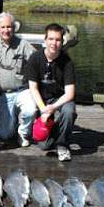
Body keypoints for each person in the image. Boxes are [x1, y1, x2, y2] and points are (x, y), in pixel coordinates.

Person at [0, 12, 37, 147]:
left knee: (31, 110)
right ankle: (13, 122)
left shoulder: (24, 45)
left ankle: (23, 132)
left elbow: (38, 61)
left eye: (9, 27)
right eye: (2, 27)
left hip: (22, 90)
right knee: (6, 135)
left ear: (14, 28)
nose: (6, 30)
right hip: (1, 94)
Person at [25, 23, 77, 162]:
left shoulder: (67, 62)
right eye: (51, 39)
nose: (54, 43)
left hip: (60, 101)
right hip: (43, 102)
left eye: (58, 40)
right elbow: (33, 88)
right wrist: (43, 110)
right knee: (44, 145)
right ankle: (55, 128)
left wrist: (53, 108)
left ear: (62, 41)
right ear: (45, 40)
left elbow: (70, 93)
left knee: (69, 111)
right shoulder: (35, 58)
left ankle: (62, 144)